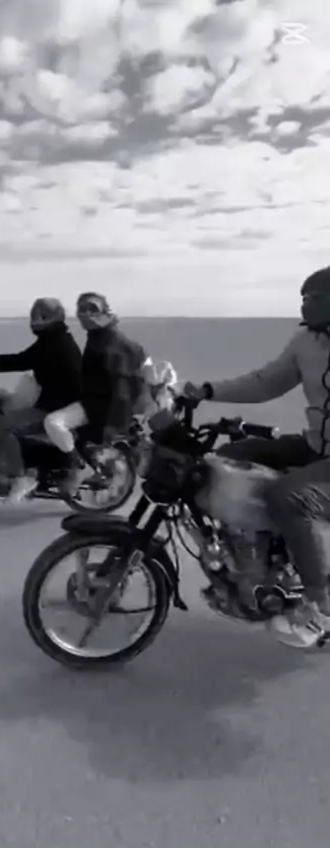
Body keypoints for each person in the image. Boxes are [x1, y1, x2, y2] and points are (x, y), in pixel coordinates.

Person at [182, 266, 330, 648]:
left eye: (313, 298)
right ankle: (255, 562)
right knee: (226, 458)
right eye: (303, 298)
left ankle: (319, 607)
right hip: (316, 445)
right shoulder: (306, 341)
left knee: (288, 496)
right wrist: (207, 391)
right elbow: (267, 382)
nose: (305, 305)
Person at [0, 297, 82, 501]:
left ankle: (19, 477)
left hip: (55, 407)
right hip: (49, 401)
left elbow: (21, 360)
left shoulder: (56, 344)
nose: (36, 320)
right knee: (0, 404)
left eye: (42, 316)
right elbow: (23, 359)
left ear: (55, 317)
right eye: (35, 315)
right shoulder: (52, 340)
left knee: (6, 427)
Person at [44, 292, 148, 494]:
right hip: (96, 400)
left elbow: (121, 388)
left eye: (92, 309)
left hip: (100, 406)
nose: (85, 314)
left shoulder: (110, 344)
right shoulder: (101, 337)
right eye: (81, 309)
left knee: (53, 422)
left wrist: (114, 423)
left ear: (106, 312)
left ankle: (78, 467)